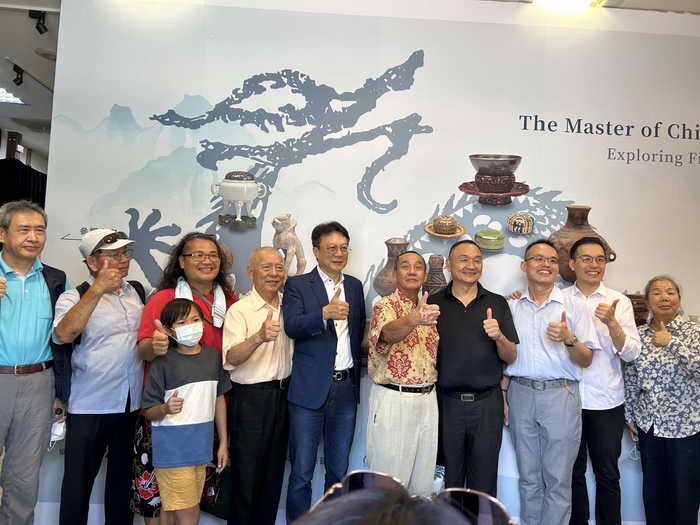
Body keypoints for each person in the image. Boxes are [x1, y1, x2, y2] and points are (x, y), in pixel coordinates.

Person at [133, 232, 237, 524]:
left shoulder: (229, 301)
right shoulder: (165, 299)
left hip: (206, 415)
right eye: (197, 255)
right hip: (165, 419)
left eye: (212, 255)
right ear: (181, 261)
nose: (206, 260)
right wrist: (156, 345)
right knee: (159, 502)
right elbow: (143, 349)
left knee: (189, 498)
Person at [53, 229, 146, 525]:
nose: (123, 259)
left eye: (124, 253)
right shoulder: (73, 296)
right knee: (77, 486)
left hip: (130, 404)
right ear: (92, 263)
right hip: (89, 405)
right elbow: (64, 335)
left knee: (122, 486)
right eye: (113, 255)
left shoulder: (136, 291)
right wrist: (97, 290)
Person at [504, 239, 599, 525]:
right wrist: (504, 396)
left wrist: (569, 339)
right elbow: (504, 355)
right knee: (528, 477)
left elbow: (586, 359)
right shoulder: (511, 305)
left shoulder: (574, 305)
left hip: (561, 395)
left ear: (558, 268)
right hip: (520, 393)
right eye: (538, 259)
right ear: (524, 266)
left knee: (558, 479)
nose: (545, 264)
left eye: (552, 260)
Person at [282, 221, 367, 522]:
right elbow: (292, 326)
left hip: (345, 390)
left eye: (343, 248)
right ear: (316, 251)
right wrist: (323, 314)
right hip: (308, 390)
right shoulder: (297, 285)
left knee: (338, 471)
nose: (339, 253)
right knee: (302, 472)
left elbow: (358, 332)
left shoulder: (354, 286)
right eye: (332, 248)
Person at [427, 240, 518, 496]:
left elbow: (511, 356)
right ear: (448, 264)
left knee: (484, 483)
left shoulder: (497, 303)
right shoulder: (433, 304)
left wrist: (499, 337)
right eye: (464, 259)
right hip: (445, 404)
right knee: (448, 482)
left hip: (487, 405)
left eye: (477, 260)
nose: (471, 265)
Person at [564, 237, 641, 525]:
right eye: (586, 258)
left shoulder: (619, 301)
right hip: (567, 399)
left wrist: (612, 323)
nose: (594, 265)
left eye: (600, 259)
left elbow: (632, 353)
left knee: (608, 474)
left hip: (607, 400)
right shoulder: (559, 298)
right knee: (572, 473)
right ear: (572, 263)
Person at [0, 200, 67, 525]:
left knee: (24, 477)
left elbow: (66, 335)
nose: (33, 237)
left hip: (40, 383)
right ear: (2, 234)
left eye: (40, 230)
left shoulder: (55, 279)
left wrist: (62, 391)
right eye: (24, 229)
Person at [143, 298, 231, 525]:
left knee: (174, 509)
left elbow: (219, 399)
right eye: (182, 323)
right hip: (173, 451)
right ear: (169, 330)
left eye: (195, 320)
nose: (191, 326)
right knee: (188, 513)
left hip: (201, 450)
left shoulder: (213, 357)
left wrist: (223, 443)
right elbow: (149, 410)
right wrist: (165, 408)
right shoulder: (162, 362)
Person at [222, 247, 293, 525]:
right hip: (250, 399)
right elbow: (231, 358)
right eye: (266, 267)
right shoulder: (239, 310)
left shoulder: (291, 306)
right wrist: (259, 337)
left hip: (284, 397)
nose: (274, 273)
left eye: (279, 267)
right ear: (250, 272)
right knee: (246, 478)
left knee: (273, 478)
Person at [623, 275, 700, 525]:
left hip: (687, 427)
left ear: (679, 298)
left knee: (685, 494)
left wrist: (673, 343)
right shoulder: (638, 335)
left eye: (670, 292)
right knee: (654, 494)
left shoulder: (694, 332)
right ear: (647, 301)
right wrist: (630, 415)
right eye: (656, 293)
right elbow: (631, 378)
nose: (664, 297)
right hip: (649, 426)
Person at [367, 250, 440, 496]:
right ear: (396, 274)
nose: (412, 271)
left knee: (421, 484)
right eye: (405, 266)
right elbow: (387, 334)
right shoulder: (384, 305)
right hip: (394, 398)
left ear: (425, 275)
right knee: (388, 485)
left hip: (428, 399)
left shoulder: (431, 309)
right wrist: (413, 319)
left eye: (418, 267)